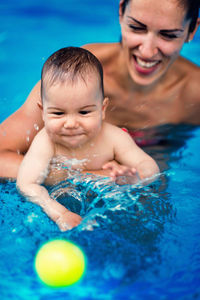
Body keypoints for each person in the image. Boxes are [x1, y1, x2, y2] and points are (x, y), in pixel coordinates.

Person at [0, 0, 200, 178]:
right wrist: (85, 177)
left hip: (148, 171)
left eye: (168, 36)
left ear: (192, 30)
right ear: (121, 13)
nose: (147, 51)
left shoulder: (195, 94)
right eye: (137, 28)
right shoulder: (78, 76)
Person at [16, 47, 159, 231]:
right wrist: (59, 213)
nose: (71, 123)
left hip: (109, 207)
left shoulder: (114, 137)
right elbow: (26, 183)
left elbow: (150, 166)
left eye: (84, 112)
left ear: (102, 109)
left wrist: (136, 178)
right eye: (58, 113)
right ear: (42, 112)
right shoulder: (45, 142)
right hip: (61, 207)